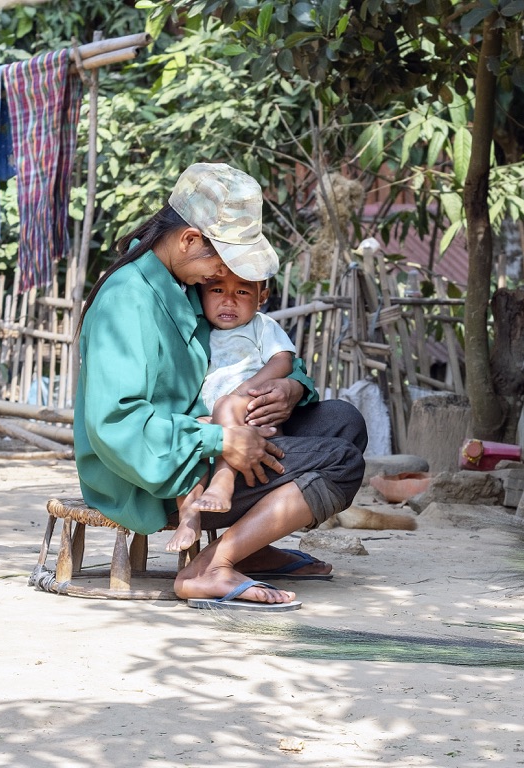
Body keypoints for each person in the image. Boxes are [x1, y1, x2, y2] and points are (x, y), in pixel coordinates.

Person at [74, 162, 368, 610]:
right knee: (341, 463)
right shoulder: (127, 301)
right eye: (222, 262)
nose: (223, 279)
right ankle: (210, 566)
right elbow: (116, 424)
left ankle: (252, 544)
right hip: (155, 473)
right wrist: (222, 439)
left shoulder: (186, 280)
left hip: (211, 442)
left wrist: (291, 388)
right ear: (190, 239)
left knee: (343, 422)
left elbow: (262, 354)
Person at [165, 272, 296, 553]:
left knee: (225, 404)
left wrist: (243, 392)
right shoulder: (197, 333)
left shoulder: (263, 327)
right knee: (191, 434)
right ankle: (189, 515)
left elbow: (283, 361)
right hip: (215, 420)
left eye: (242, 293)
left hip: (250, 416)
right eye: (217, 291)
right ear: (201, 296)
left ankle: (223, 480)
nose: (228, 301)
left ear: (262, 297)